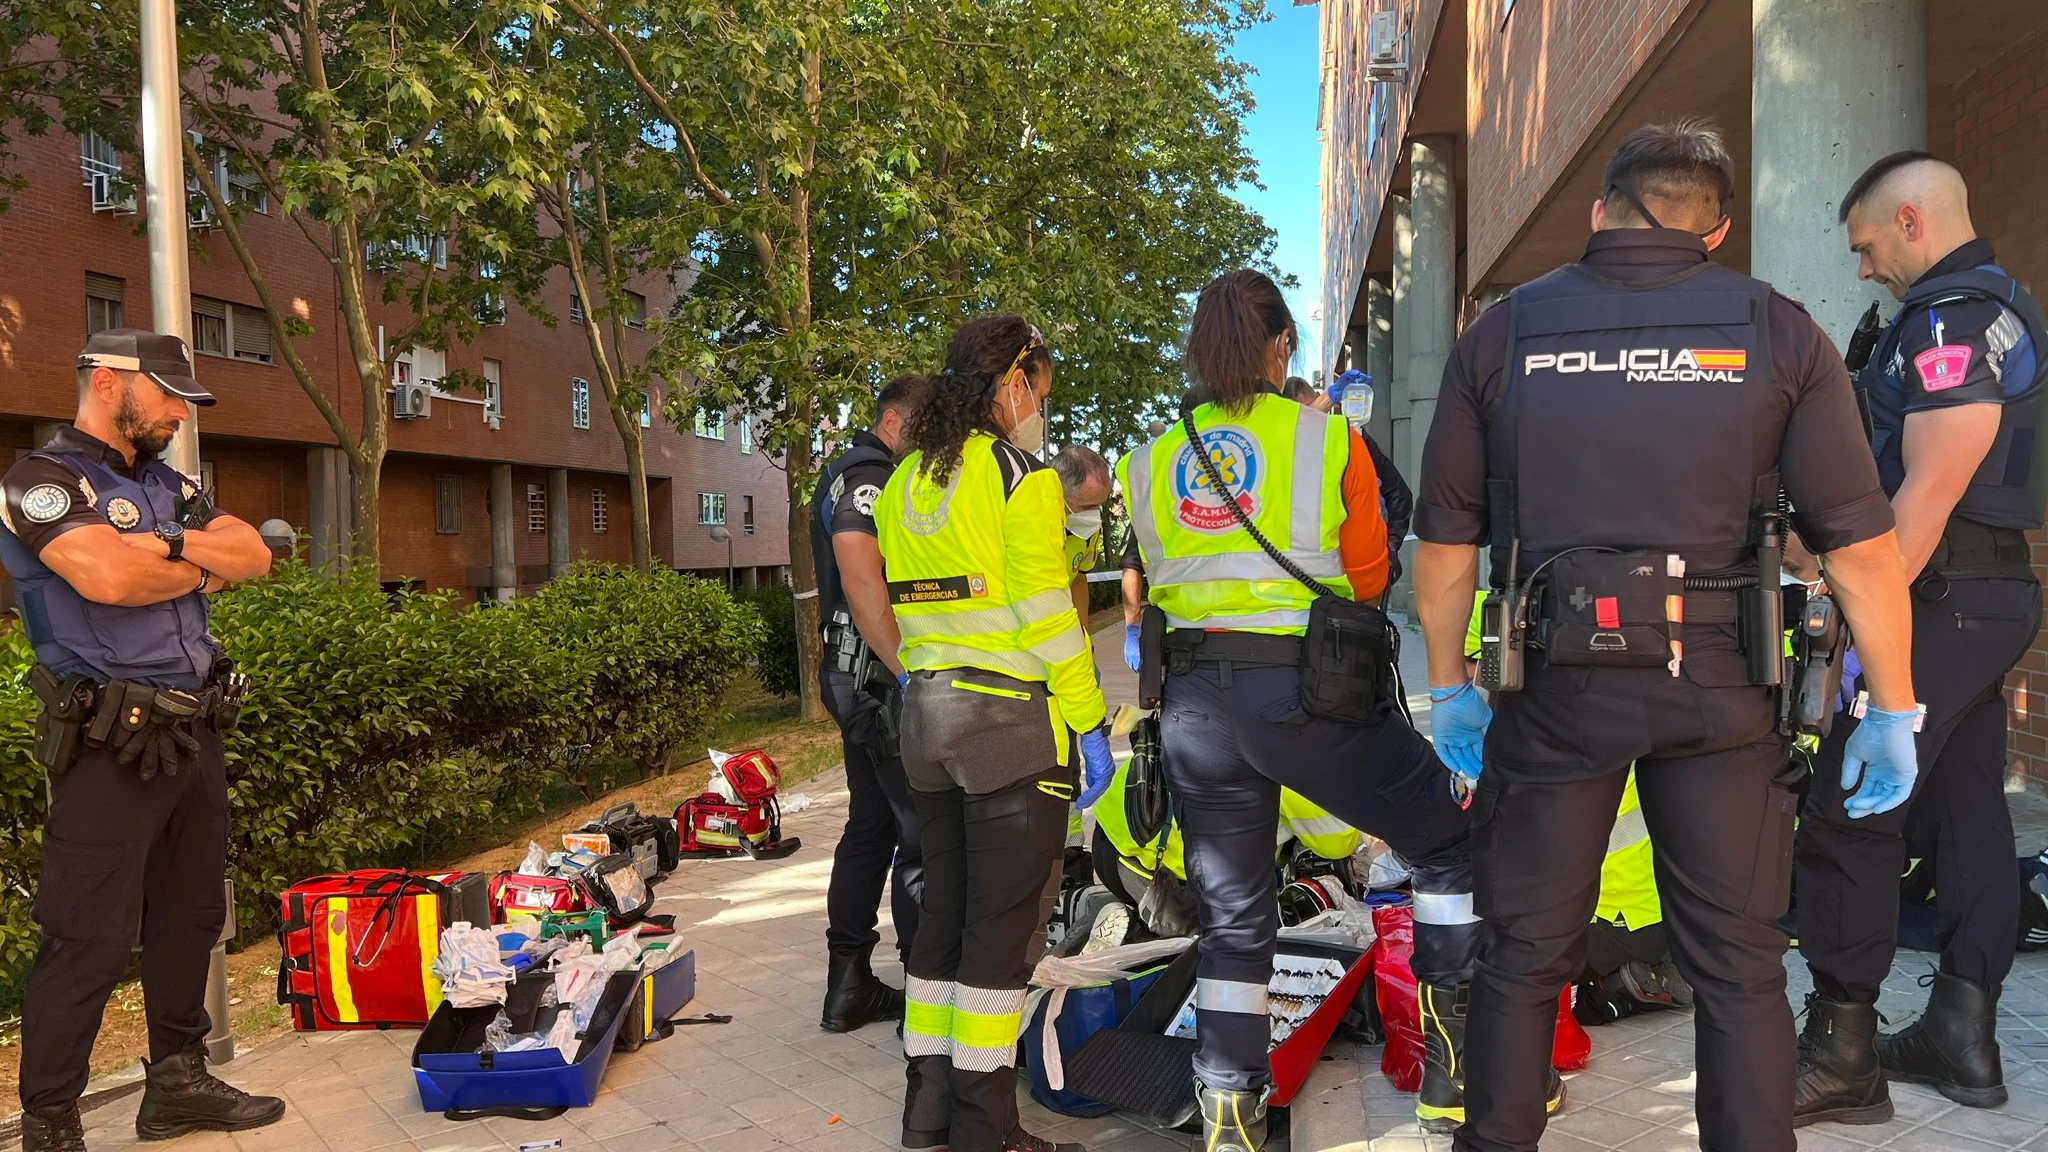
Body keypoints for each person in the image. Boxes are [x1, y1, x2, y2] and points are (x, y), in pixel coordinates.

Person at [1411, 121, 1918, 1152]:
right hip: (1721, 689)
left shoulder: (1502, 336)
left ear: (1601, 210)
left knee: (1520, 956)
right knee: (1736, 965)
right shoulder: (1774, 331)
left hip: (1552, 688)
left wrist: (1447, 681)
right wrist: (1893, 707)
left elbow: (1444, 548)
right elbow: (1860, 549)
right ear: (1717, 227)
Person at [1119, 269, 1484, 1149]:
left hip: (1197, 709)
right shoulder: (1326, 443)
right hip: (1311, 695)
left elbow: (1148, 590)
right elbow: (1366, 577)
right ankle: (1453, 1074)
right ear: (1281, 343)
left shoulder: (1149, 459)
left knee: (1234, 914)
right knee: (1444, 839)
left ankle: (1231, 1117)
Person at [1791, 152, 2048, 1121]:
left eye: (1863, 247)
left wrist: (1855, 623)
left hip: (1937, 597)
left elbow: (1928, 493)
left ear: (1908, 220)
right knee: (1961, 809)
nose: (1859, 268)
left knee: (1847, 808)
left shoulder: (1952, 319)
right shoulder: (1970, 309)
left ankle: (1839, 1053)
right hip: (1971, 597)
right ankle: (1958, 1038)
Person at [0, 330, 280, 1152]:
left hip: (192, 728)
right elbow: (105, 579)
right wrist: (198, 563)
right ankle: (51, 1120)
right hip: (107, 742)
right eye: (168, 396)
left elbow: (254, 555)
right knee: (86, 934)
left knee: (190, 917)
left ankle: (177, 1086)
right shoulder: (40, 480)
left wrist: (161, 545)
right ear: (109, 381)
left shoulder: (166, 483)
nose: (178, 414)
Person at [876, 315, 1114, 1152]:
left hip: (926, 721)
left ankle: (927, 1114)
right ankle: (988, 1132)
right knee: (1001, 930)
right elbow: (1049, 617)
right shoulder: (1023, 478)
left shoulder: (906, 480)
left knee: (942, 920)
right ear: (1013, 383)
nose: (1040, 411)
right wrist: (1088, 721)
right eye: (1040, 393)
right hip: (1006, 726)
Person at [812, 373, 932, 1033]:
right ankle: (926, 992)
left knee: (872, 827)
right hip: (876, 681)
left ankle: (849, 985)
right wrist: (907, 670)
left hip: (852, 678)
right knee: (918, 834)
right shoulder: (871, 479)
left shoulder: (841, 472)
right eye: (923, 430)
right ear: (893, 423)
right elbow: (862, 582)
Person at [1050, 445, 1112, 623]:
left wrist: (1083, 636)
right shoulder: (1027, 526)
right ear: (1057, 492)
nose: (1094, 514)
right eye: (1087, 507)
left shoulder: (1089, 532)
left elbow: (1078, 579)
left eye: (1099, 505)